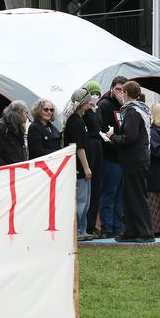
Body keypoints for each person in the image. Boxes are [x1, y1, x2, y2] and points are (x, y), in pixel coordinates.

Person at [106, 81, 154, 243]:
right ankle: (132, 231)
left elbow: (130, 137)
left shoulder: (132, 111)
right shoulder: (140, 109)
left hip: (135, 159)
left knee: (137, 196)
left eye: (122, 91)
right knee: (130, 196)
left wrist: (112, 137)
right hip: (137, 159)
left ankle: (145, 233)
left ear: (126, 93)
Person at [97, 76, 127, 238]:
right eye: (118, 89)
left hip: (123, 157)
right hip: (110, 156)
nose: (121, 93)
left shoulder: (126, 107)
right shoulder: (104, 105)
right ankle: (107, 227)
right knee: (109, 192)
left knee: (120, 194)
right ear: (111, 89)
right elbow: (102, 132)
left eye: (123, 90)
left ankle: (118, 226)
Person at [63, 88, 93, 241]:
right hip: (78, 167)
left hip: (80, 166)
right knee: (81, 199)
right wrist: (86, 168)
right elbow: (78, 146)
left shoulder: (79, 120)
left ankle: (82, 228)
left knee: (85, 200)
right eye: (87, 101)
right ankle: (78, 230)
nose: (90, 103)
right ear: (82, 103)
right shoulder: (75, 121)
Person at [82, 80, 104, 237]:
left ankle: (91, 225)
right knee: (87, 188)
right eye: (92, 93)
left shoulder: (98, 110)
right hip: (90, 146)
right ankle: (85, 225)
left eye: (97, 93)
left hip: (99, 146)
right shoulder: (84, 111)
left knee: (97, 187)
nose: (95, 96)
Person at [0, 100, 29, 166]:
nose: (27, 115)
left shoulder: (19, 126)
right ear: (18, 113)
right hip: (7, 171)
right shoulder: (0, 128)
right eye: (26, 112)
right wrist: (6, 168)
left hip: (18, 169)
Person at [148, 103, 160, 236]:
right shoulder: (152, 131)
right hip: (157, 173)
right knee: (158, 202)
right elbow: (157, 151)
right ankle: (158, 228)